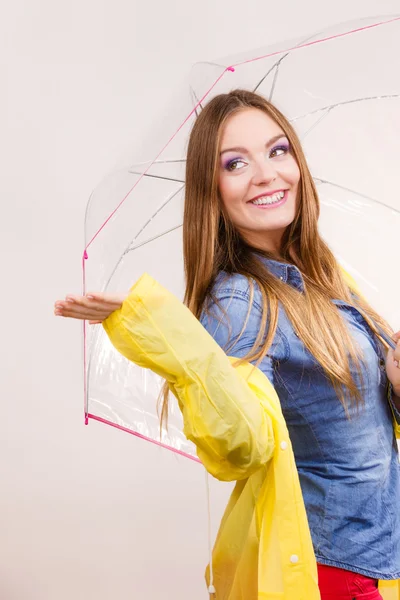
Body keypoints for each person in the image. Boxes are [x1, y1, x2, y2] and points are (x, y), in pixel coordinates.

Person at [54, 89, 400, 600]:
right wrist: (164, 333)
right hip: (335, 572)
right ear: (210, 191)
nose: (266, 174)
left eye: (278, 150)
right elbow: (240, 447)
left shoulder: (323, 273)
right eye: (236, 163)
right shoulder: (239, 301)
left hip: (378, 557)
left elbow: (364, 425)